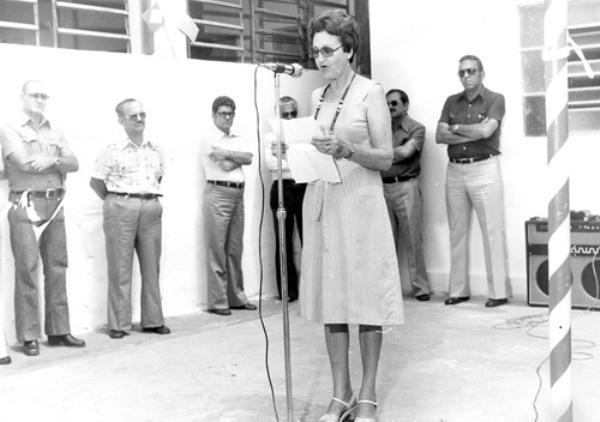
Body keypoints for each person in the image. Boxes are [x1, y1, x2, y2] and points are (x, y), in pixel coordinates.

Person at [300, 10, 404, 422]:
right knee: (334, 303)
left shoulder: (370, 92)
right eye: (315, 52)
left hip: (361, 203)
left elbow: (386, 156)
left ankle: (367, 395)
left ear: (349, 50)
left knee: (366, 303)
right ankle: (340, 393)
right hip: (324, 203)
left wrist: (348, 150)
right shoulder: (316, 97)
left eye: (328, 50)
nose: (320, 59)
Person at [0, 80, 85, 356]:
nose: (39, 99)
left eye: (43, 95)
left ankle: (59, 331)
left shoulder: (55, 128)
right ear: (22, 96)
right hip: (25, 203)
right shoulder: (10, 128)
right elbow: (24, 163)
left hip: (55, 201)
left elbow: (74, 163)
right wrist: (57, 157)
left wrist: (51, 161)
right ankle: (28, 336)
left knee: (57, 267)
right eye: (34, 94)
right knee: (27, 269)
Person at [90, 98, 170, 338]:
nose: (139, 119)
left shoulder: (155, 148)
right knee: (120, 267)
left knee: (151, 267)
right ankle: (119, 324)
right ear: (121, 120)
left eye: (142, 114)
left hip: (150, 207)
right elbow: (95, 182)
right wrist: (119, 201)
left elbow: (158, 178)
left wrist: (144, 201)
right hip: (120, 207)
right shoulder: (111, 148)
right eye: (133, 115)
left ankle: (153, 320)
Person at [435, 55, 510, 308]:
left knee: (492, 230)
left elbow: (486, 132)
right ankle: (458, 290)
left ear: (481, 73)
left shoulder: (495, 99)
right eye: (462, 72)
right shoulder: (450, 101)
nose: (466, 76)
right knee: (457, 231)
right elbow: (438, 135)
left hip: (484, 169)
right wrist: (470, 132)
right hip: (455, 171)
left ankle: (498, 292)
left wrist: (455, 128)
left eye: (471, 71)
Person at [201, 96, 257, 316]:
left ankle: (237, 297)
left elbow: (249, 158)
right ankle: (217, 301)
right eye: (222, 113)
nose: (227, 117)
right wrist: (238, 157)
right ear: (214, 115)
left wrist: (230, 153)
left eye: (230, 113)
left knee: (234, 248)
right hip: (218, 192)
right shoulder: (208, 138)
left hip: (237, 194)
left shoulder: (237, 137)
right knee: (217, 248)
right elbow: (224, 166)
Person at [382, 89, 431, 301]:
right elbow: (397, 153)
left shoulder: (417, 129)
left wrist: (379, 155)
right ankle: (389, 290)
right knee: (385, 241)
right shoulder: (380, 130)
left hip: (406, 187)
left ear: (405, 105)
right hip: (382, 188)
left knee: (413, 240)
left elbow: (405, 153)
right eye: (387, 104)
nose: (390, 108)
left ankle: (420, 288)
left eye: (394, 103)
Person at [264, 96, 306, 302]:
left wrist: (286, 155)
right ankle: (288, 291)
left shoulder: (304, 134)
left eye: (293, 113)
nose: (290, 117)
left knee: (309, 241)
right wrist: (295, 158)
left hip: (304, 187)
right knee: (283, 241)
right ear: (278, 115)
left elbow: (310, 162)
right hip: (282, 188)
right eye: (285, 114)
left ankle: (310, 290)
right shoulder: (271, 136)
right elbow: (272, 164)